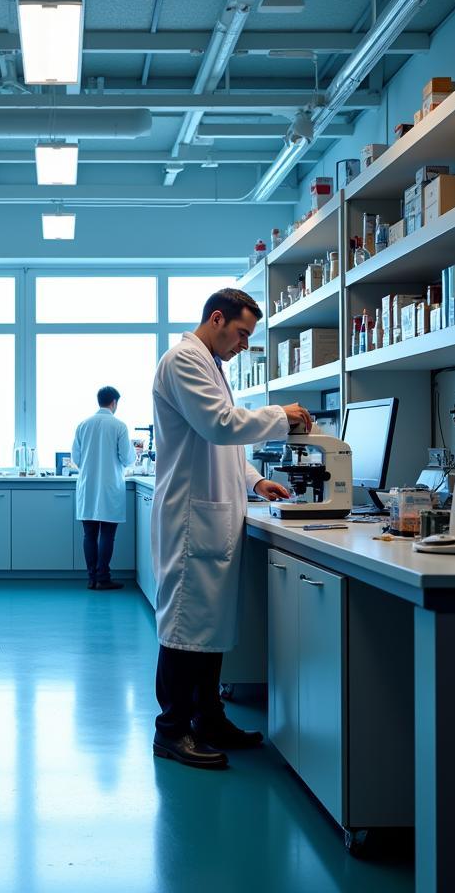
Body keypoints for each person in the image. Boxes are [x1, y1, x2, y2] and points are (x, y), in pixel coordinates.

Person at [151, 289, 313, 771]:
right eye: (242, 333)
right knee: (184, 628)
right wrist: (280, 416)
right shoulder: (183, 359)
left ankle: (208, 719)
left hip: (214, 511)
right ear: (216, 318)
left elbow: (224, 447)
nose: (244, 344)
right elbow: (220, 424)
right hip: (190, 518)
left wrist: (256, 480)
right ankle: (172, 731)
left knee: (209, 627)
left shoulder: (211, 364)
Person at [72, 385, 137, 590]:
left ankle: (92, 579)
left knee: (89, 535)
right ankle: (103, 578)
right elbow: (127, 458)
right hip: (110, 488)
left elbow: (76, 458)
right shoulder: (119, 426)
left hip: (88, 486)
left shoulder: (83, 425)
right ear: (114, 403)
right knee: (107, 534)